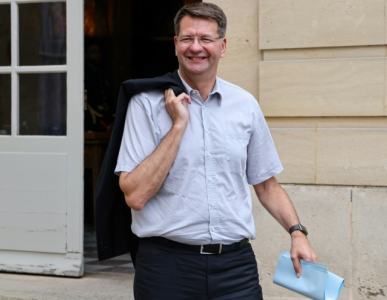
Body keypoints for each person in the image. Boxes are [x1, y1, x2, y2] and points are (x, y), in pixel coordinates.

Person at [115, 3, 317, 299]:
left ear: (222, 46)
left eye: (205, 39)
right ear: (176, 45)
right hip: (167, 268)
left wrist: (297, 232)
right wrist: (177, 128)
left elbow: (266, 184)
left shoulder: (245, 104)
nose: (196, 47)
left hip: (236, 268)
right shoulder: (145, 104)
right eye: (187, 38)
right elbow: (134, 195)